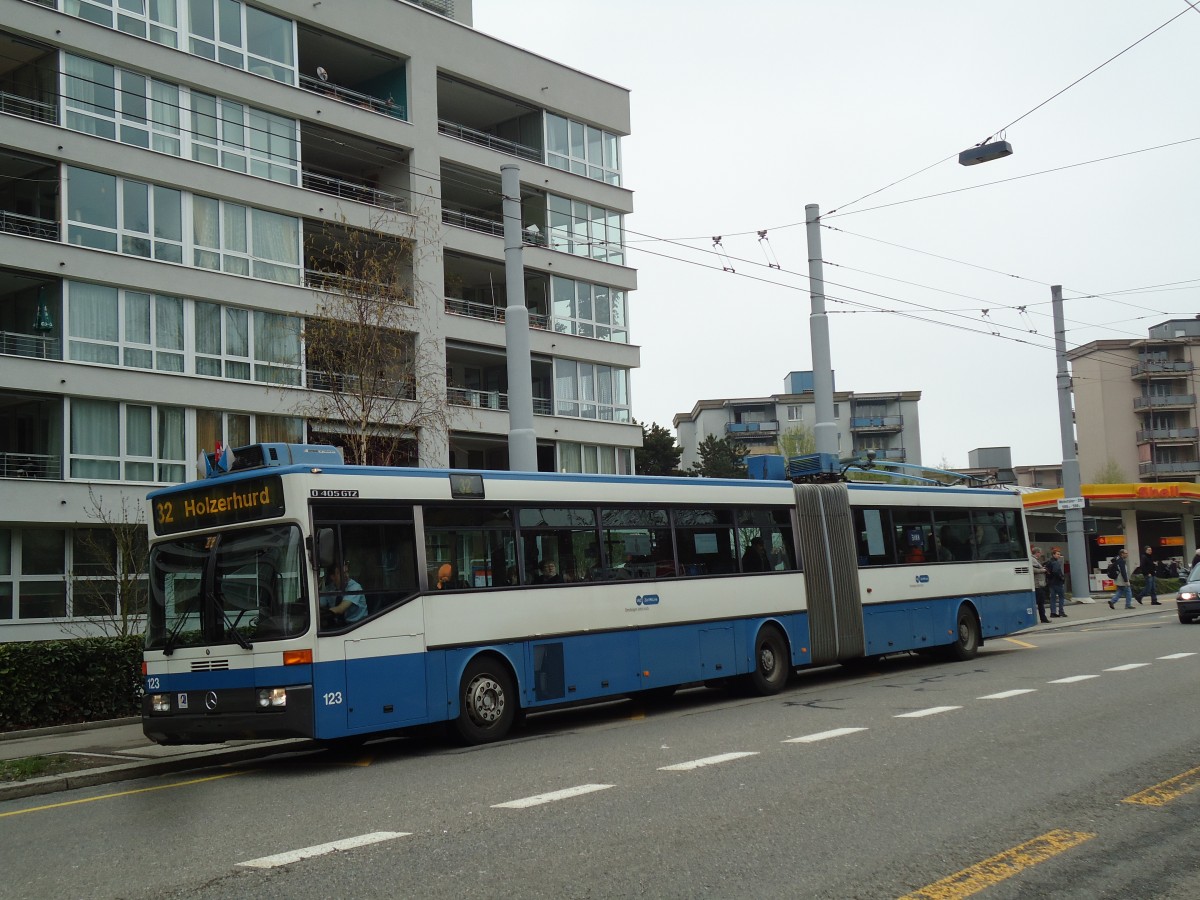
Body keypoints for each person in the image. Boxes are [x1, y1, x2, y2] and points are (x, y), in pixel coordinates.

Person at [321, 562, 367, 626]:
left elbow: (341, 609)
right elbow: (320, 605)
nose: (346, 576)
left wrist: (325, 614)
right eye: (341, 573)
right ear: (333, 577)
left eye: (347, 572)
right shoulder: (328, 589)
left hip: (357, 625)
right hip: (338, 624)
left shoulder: (355, 587)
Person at [1045, 547, 1067, 618]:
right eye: (1057, 554)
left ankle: (1053, 612)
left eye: (1059, 554)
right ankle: (1061, 611)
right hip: (1057, 582)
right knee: (1061, 597)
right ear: (1053, 555)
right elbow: (1056, 572)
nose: (1059, 556)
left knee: (1053, 598)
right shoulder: (1056, 563)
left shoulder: (1048, 562)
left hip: (1050, 582)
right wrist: (1062, 578)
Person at [1031, 547, 1050, 623]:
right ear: (1037, 552)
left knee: (1041, 602)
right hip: (1037, 584)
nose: (1041, 554)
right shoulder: (1032, 559)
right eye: (1040, 552)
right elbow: (1032, 569)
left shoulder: (1035, 560)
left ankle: (1043, 618)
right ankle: (1043, 618)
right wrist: (1043, 570)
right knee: (1040, 602)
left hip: (1040, 583)